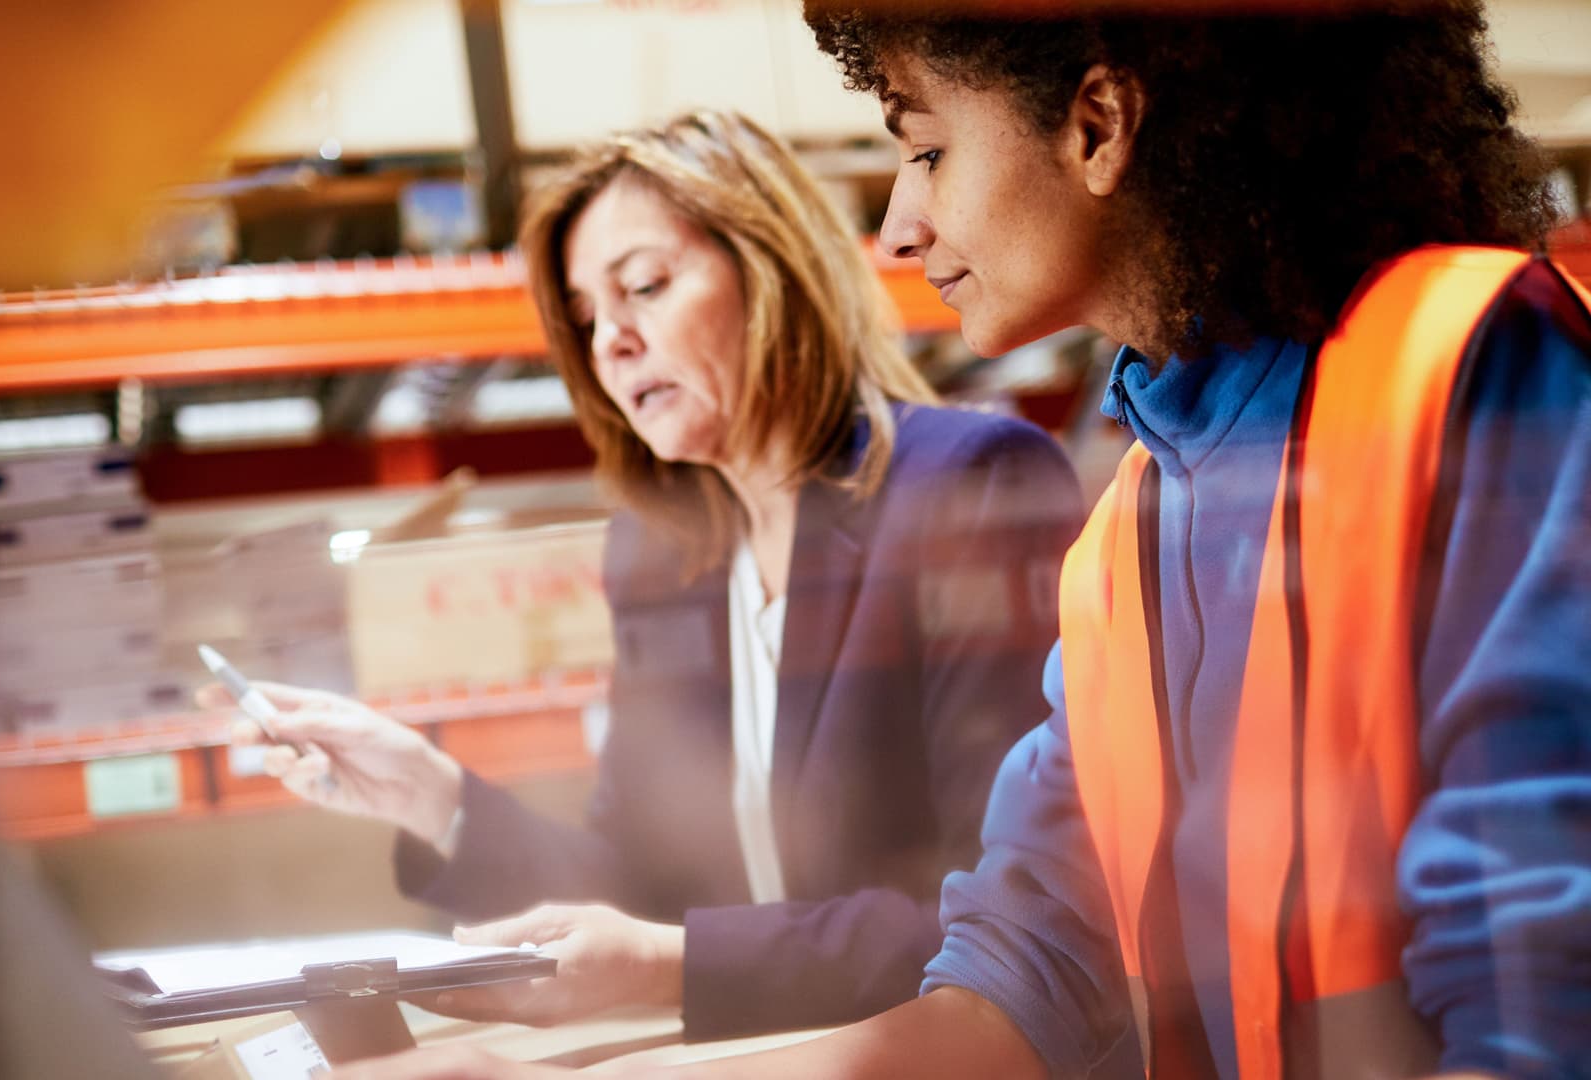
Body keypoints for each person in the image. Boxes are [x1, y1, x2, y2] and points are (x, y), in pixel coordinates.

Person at [332, 3, 1591, 1078]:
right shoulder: (1134, 535)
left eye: (926, 149)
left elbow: (1540, 991)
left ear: (1098, 125)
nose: (897, 228)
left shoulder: (1482, 368)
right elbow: (1011, 976)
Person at [203, 110, 1083, 1042]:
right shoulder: (661, 560)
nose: (610, 343)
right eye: (587, 319)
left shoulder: (967, 486)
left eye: (646, 286)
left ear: (769, 270)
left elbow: (1004, 918)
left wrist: (668, 964)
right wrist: (432, 795)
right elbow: (638, 886)